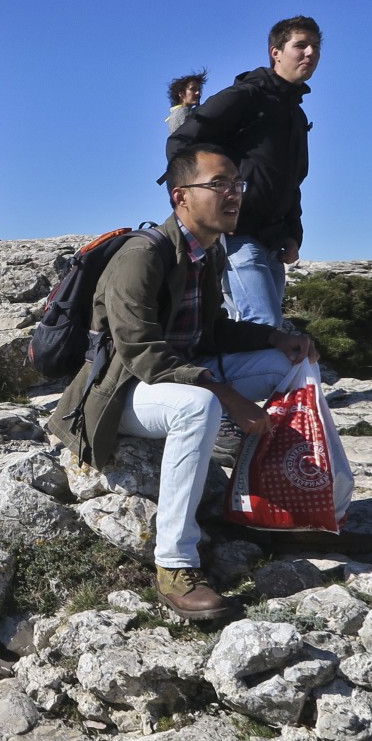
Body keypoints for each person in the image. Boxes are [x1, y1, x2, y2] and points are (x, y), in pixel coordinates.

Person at [48, 144, 346, 621]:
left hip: (178, 379)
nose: (234, 194)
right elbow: (140, 352)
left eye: (237, 184)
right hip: (121, 394)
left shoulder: (206, 255)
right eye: (219, 184)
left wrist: (276, 336)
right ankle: (175, 563)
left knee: (293, 363)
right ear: (180, 196)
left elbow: (210, 333)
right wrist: (227, 396)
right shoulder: (141, 255)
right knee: (199, 407)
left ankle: (278, 509)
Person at [167, 17, 319, 327]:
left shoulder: (296, 113)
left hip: (273, 240)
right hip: (239, 234)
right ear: (275, 52)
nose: (310, 53)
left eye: (315, 47)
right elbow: (181, 144)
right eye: (300, 45)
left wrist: (293, 233)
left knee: (264, 330)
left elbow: (291, 181)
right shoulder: (248, 96)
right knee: (263, 326)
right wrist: (203, 211)